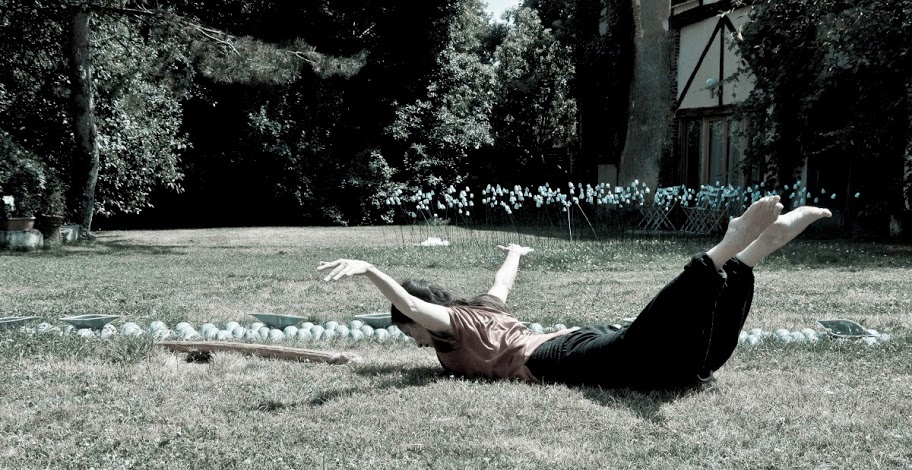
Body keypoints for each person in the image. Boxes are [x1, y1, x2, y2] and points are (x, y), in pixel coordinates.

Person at [317, 196, 832, 390]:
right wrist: (515, 251)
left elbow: (409, 307)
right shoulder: (480, 308)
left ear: (422, 325)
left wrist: (368, 268)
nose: (416, 342)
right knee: (696, 365)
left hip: (559, 357)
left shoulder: (449, 328)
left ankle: (723, 253)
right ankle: (749, 258)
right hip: (577, 340)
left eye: (413, 336)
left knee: (651, 351)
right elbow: (502, 283)